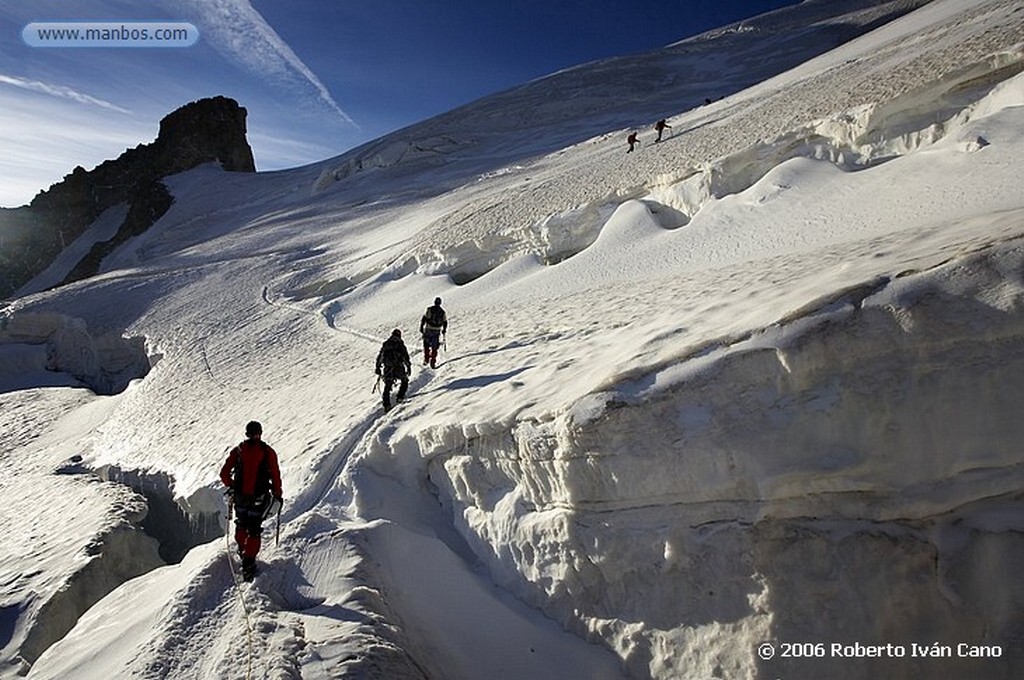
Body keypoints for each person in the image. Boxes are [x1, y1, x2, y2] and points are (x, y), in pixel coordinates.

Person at [220, 421, 283, 581]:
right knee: (254, 529)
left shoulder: (238, 451)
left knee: (241, 523)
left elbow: (224, 473)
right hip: (259, 497)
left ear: (247, 433)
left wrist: (232, 486)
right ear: (260, 433)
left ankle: (242, 550)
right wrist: (277, 494)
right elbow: (275, 475)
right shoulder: (268, 452)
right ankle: (249, 562)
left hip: (240, 498)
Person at [375, 328, 411, 411]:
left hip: (388, 368)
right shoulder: (400, 344)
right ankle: (400, 397)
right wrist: (408, 366)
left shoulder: (386, 344)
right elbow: (405, 356)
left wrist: (378, 367)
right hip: (398, 367)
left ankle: (386, 405)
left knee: (387, 386)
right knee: (404, 380)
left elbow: (380, 356)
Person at [419, 297, 448, 368]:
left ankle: (426, 359)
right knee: (435, 346)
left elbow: (425, 318)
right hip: (437, 330)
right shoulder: (442, 311)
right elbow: (445, 322)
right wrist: (444, 330)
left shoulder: (430, 309)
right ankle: (433, 361)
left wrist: (421, 327)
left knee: (426, 344)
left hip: (429, 329)